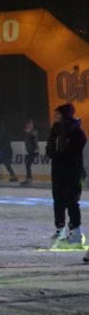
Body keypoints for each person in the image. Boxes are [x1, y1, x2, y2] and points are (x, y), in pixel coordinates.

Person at [45, 103, 86, 245]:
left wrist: (62, 154)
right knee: (58, 199)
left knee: (72, 200)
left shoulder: (77, 132)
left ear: (65, 115)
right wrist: (53, 152)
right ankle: (60, 229)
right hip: (58, 170)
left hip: (72, 170)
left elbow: (76, 149)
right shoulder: (55, 131)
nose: (55, 117)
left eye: (58, 115)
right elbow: (49, 149)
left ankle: (76, 232)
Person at [22, 118, 39, 186]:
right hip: (31, 151)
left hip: (33, 151)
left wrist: (36, 149)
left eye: (31, 124)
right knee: (27, 164)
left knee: (28, 165)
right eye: (29, 124)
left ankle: (29, 180)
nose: (29, 125)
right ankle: (28, 179)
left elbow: (34, 140)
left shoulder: (33, 132)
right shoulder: (28, 132)